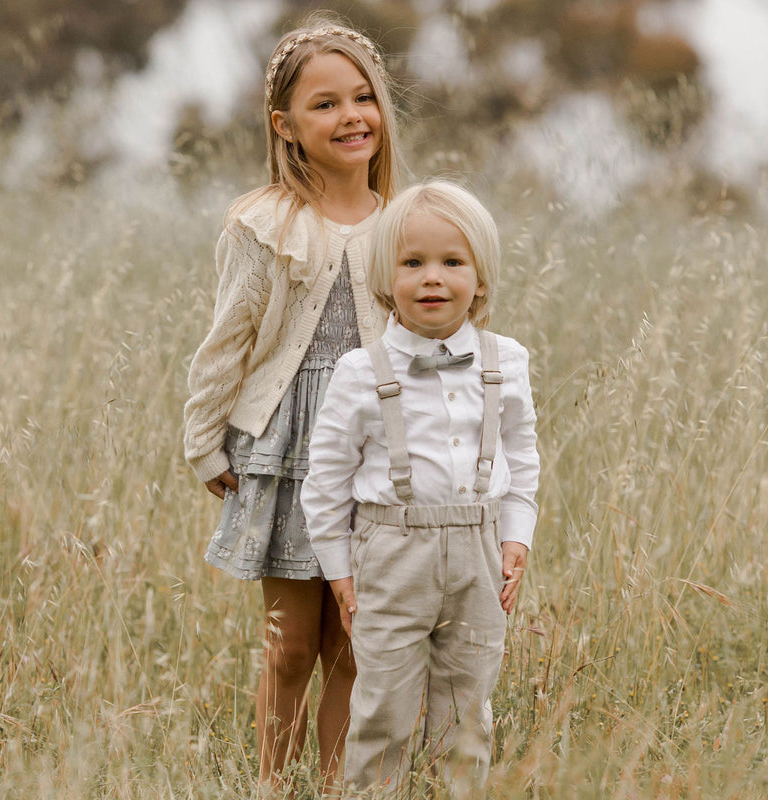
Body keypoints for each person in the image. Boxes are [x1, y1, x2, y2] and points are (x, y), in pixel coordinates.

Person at [182, 17, 402, 789]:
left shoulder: (405, 224)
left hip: (377, 445)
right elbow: (228, 341)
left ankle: (339, 781)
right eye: (325, 105)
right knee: (289, 641)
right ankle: (272, 783)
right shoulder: (264, 224)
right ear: (286, 126)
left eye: (363, 98)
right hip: (286, 441)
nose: (351, 117)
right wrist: (203, 439)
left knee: (355, 636)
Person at [302, 180, 540, 796]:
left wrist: (518, 537)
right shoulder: (361, 371)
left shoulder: (506, 360)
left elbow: (521, 456)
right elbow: (326, 478)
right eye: (413, 263)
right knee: (381, 704)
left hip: (481, 549)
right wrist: (339, 568)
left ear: (480, 278)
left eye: (451, 262)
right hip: (391, 550)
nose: (432, 278)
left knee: (467, 710)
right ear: (387, 279)